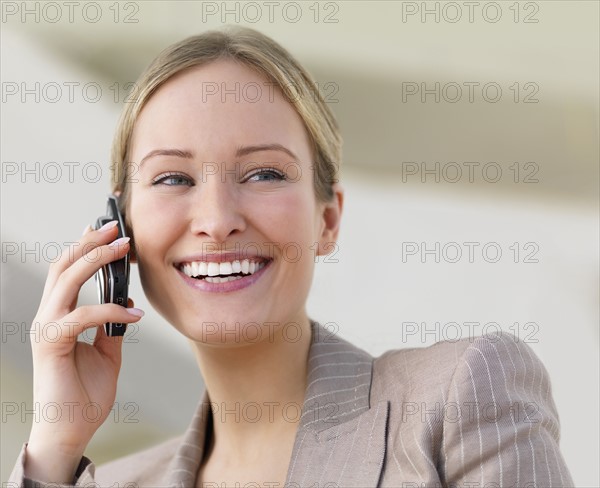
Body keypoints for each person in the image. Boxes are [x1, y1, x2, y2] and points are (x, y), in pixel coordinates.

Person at [9, 26, 573, 487]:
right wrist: (55, 447)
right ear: (119, 231)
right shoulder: (110, 483)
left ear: (326, 220)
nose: (215, 219)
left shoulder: (459, 399)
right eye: (173, 177)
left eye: (265, 173)